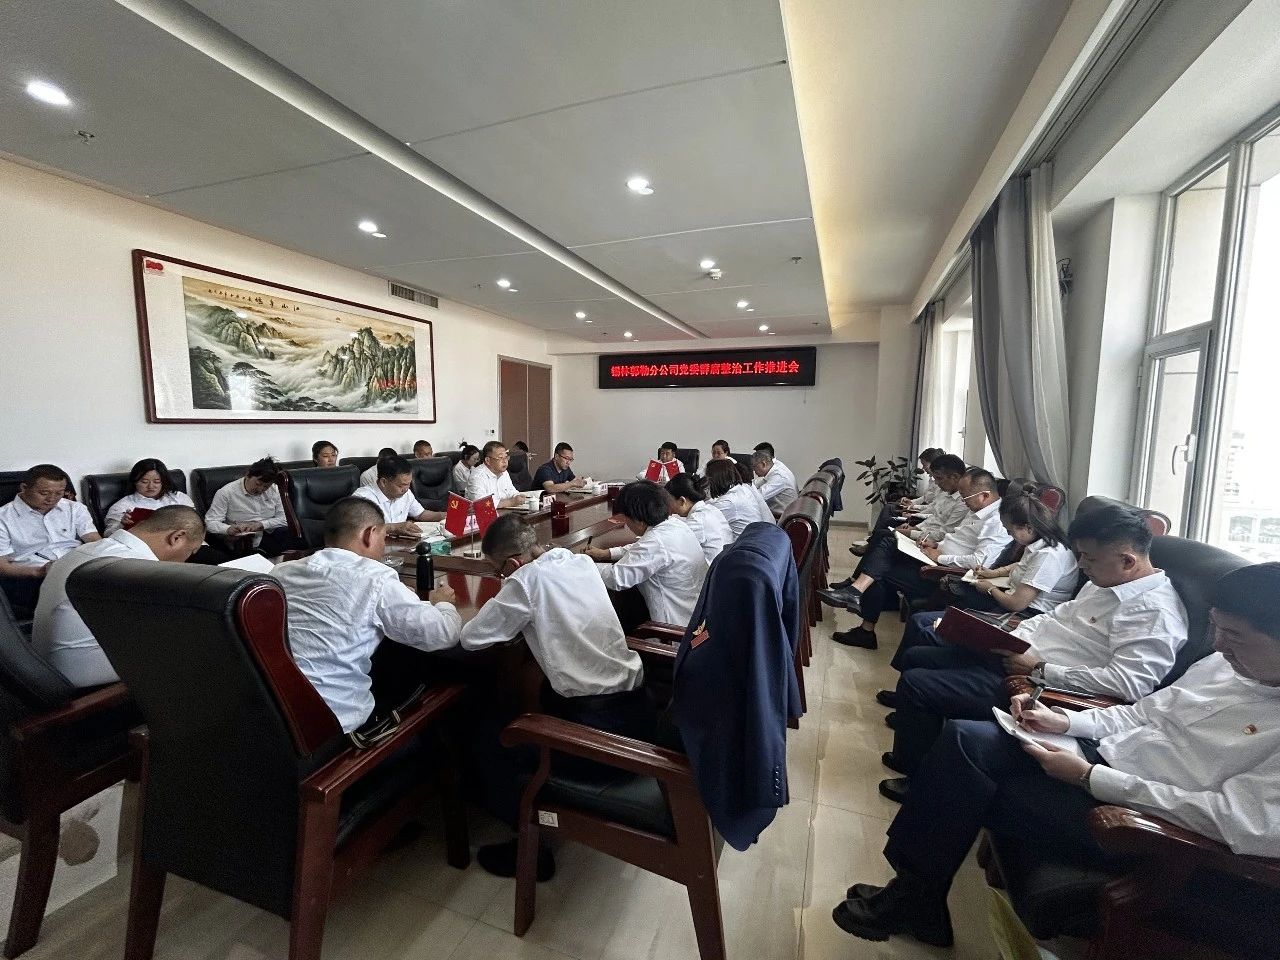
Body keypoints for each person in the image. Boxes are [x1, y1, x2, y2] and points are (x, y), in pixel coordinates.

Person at [833, 562, 1280, 948]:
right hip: (1100, 759)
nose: (1219, 645)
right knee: (966, 739)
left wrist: (1090, 778)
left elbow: (1238, 821)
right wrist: (1064, 723)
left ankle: (913, 899)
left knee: (966, 783)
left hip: (1139, 822)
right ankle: (915, 893)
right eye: (1217, 629)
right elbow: (1140, 713)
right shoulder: (1223, 666)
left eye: (1236, 636)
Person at [880, 502, 1188, 794]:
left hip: (1037, 687)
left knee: (918, 683)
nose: (1081, 565)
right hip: (1018, 656)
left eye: (1089, 558)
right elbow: (1053, 617)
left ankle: (917, 777)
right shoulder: (1104, 582)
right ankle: (918, 739)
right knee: (918, 654)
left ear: (1128, 561)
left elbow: (1128, 685)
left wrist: (1040, 669)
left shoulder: (1154, 614)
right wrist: (1009, 637)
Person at [460, 514, 652, 879]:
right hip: (637, 709)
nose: (501, 577)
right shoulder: (579, 562)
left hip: (598, 734)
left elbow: (472, 638)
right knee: (534, 687)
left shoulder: (524, 581)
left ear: (511, 564)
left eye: (499, 571)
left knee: (490, 738)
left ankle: (529, 849)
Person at [272, 497, 460, 733]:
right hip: (336, 722)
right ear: (369, 534)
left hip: (277, 710)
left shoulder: (281, 572)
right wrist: (443, 604)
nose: (383, 548)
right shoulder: (375, 578)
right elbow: (444, 634)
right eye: (384, 538)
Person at [885, 490, 1079, 693]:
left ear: (1028, 527)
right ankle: (905, 685)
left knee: (928, 629)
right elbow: (1021, 566)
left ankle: (915, 686)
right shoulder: (1039, 544)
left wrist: (990, 588)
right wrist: (994, 572)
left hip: (1023, 614)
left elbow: (1017, 603)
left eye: (1010, 530)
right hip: (1009, 606)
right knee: (919, 621)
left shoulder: (1049, 556)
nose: (1009, 535)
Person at [820, 467, 1010, 649]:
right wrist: (936, 545)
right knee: (885, 550)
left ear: (984, 496)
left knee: (880, 567)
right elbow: (957, 539)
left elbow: (979, 563)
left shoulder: (996, 522)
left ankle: (859, 606)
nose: (962, 500)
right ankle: (859, 607)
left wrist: (941, 557)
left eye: (965, 496)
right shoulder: (978, 511)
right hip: (933, 558)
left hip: (945, 575)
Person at [33, 506, 204, 687]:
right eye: (191, 552)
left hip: (46, 667)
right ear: (177, 537)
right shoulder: (135, 567)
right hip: (88, 683)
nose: (186, 560)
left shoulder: (85, 551)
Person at [587, 480, 708, 627]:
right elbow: (642, 548)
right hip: (697, 616)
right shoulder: (675, 525)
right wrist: (608, 554)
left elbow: (617, 578)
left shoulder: (656, 541)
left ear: (637, 519)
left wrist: (583, 564)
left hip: (673, 629)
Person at [0, 464, 100, 619]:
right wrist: (38, 572)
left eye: (59, 493)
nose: (52, 499)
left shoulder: (75, 508)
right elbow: (2, 566)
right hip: (30, 577)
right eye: (44, 493)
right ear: (24, 488)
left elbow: (93, 540)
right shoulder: (4, 517)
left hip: (76, 567)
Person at [203, 457, 295, 555]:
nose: (260, 490)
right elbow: (210, 522)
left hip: (271, 534)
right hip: (243, 541)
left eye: (266, 486)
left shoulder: (274, 490)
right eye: (258, 484)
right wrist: (227, 529)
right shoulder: (226, 493)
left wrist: (261, 525)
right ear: (248, 475)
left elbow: (285, 519)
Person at [351, 456, 444, 536]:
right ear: (384, 482)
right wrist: (393, 528)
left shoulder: (406, 493)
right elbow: (360, 529)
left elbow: (420, 514)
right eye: (401, 485)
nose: (406, 489)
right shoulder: (362, 498)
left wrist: (444, 515)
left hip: (402, 545)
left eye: (409, 484)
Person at [103, 458, 197, 535]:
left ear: (163, 481)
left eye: (156, 481)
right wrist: (122, 525)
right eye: (144, 482)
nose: (151, 486)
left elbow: (196, 524)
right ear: (134, 482)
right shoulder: (122, 506)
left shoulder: (179, 498)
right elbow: (108, 535)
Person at [666, 472, 732, 564]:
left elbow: (671, 546)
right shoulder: (711, 509)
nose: (669, 507)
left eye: (670, 502)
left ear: (682, 501)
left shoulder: (697, 520)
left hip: (712, 569)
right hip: (725, 562)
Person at [704, 459, 774, 537]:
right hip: (760, 536)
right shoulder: (743, 488)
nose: (707, 484)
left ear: (715, 479)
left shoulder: (728, 502)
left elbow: (705, 522)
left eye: (708, 480)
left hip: (745, 543)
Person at [465, 441, 525, 507]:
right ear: (488, 460)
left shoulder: (504, 472)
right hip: (483, 513)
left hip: (504, 511)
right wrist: (510, 502)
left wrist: (517, 496)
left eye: (506, 457)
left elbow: (511, 491)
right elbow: (480, 503)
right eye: (500, 457)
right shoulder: (477, 476)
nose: (505, 461)